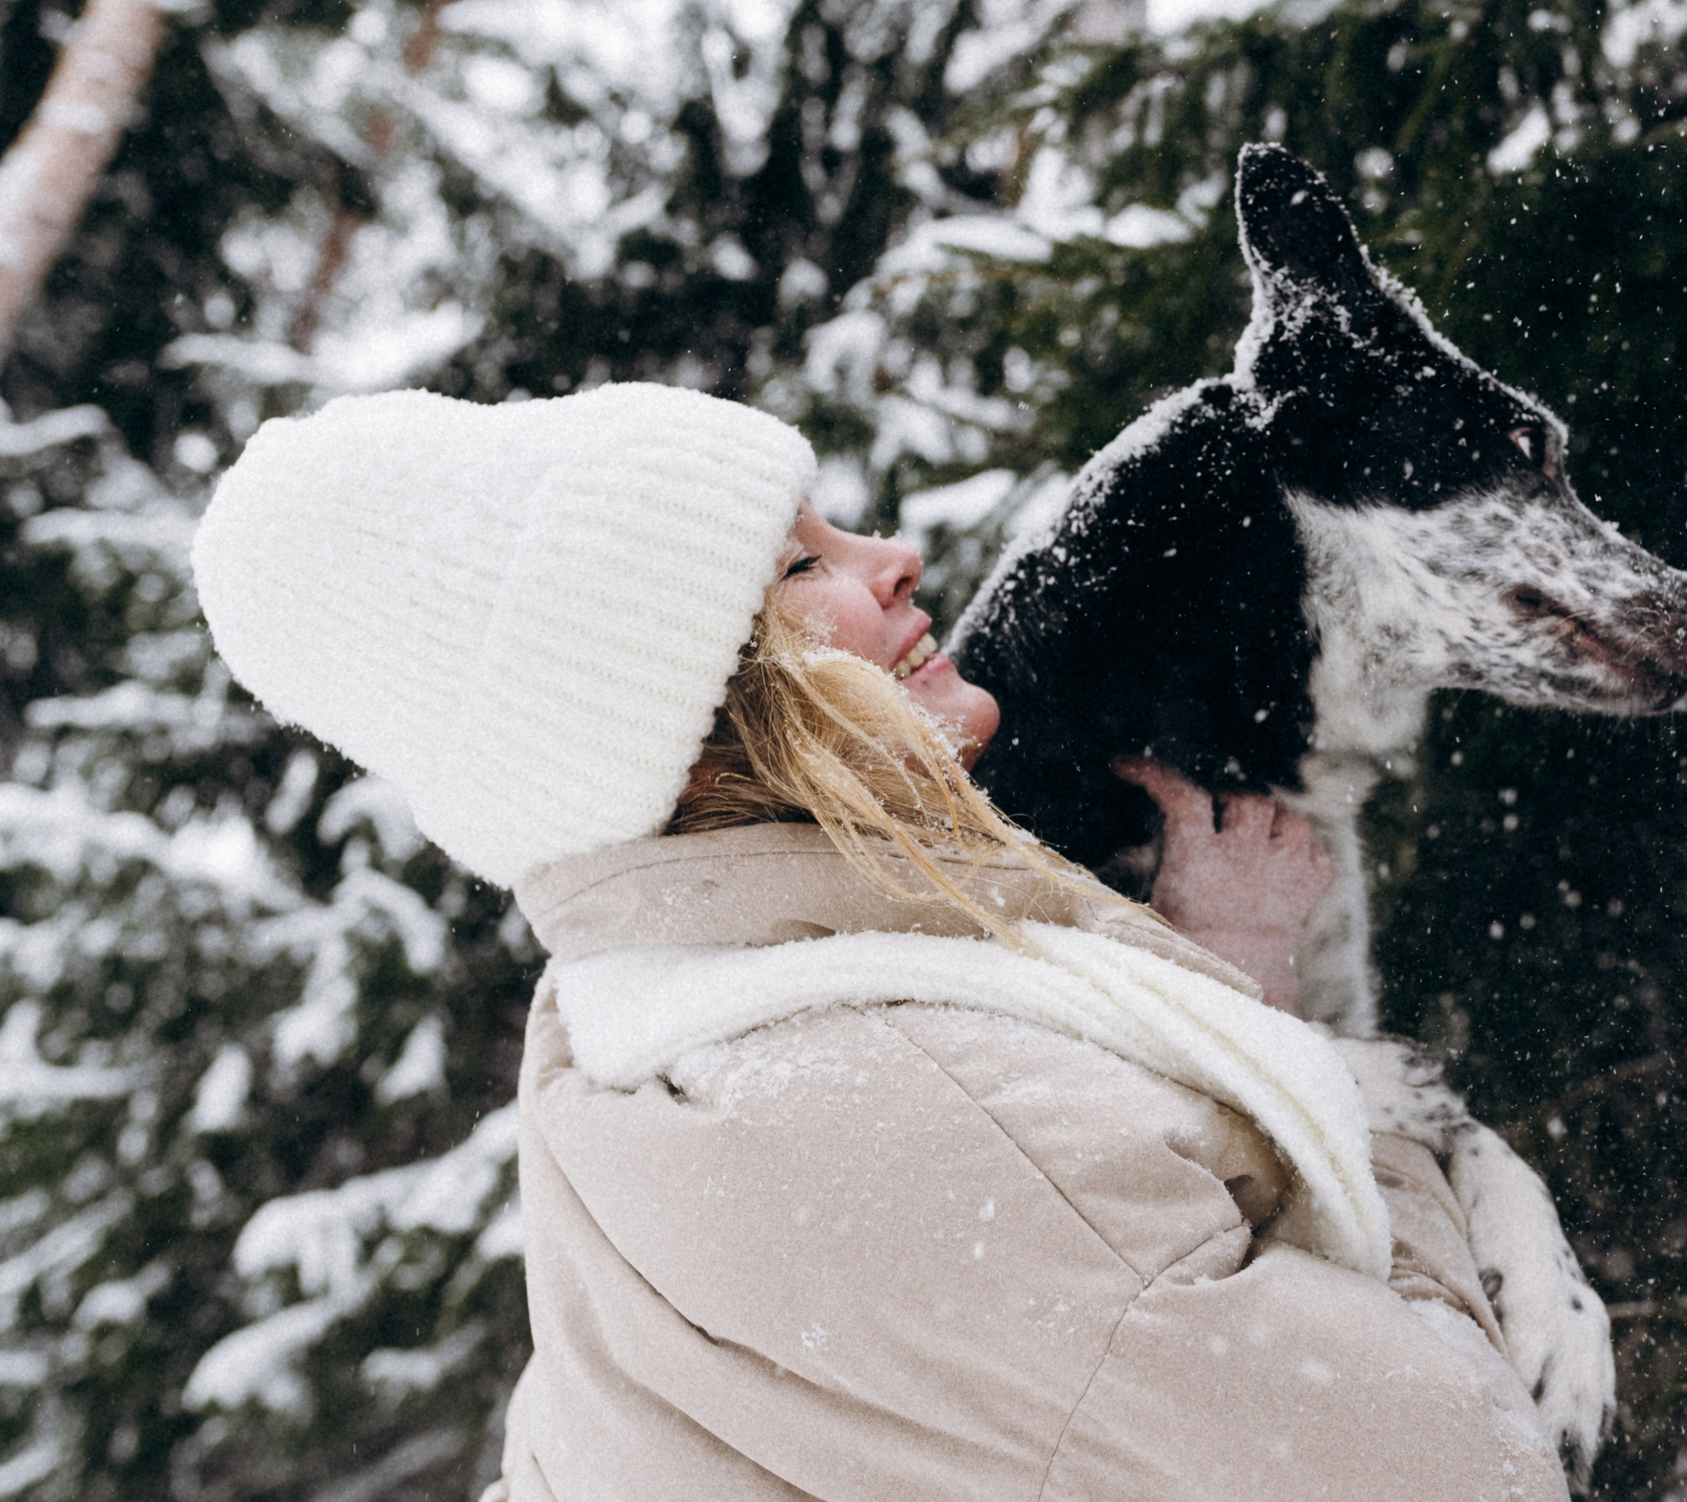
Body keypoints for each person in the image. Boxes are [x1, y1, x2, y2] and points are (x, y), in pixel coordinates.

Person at [193, 382, 1570, 1501]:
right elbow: (1461, 1468)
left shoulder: (625, 1031)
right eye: (803, 564)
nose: (893, 554)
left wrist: (1206, 970)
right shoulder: (912, 1116)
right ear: (692, 733)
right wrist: (1334, 1096)